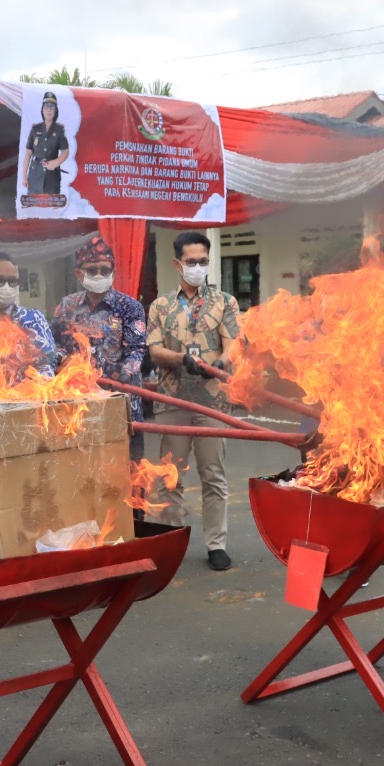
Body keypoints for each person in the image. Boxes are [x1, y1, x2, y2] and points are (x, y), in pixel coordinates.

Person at [147, 231, 242, 571]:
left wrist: (221, 363)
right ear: (177, 264)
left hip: (212, 404)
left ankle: (216, 544)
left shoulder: (225, 302)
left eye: (203, 261)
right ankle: (169, 543)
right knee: (169, 476)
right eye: (192, 262)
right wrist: (178, 359)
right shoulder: (160, 306)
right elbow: (154, 350)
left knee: (213, 475)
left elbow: (234, 342)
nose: (198, 267)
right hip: (172, 401)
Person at [51, 236, 147, 462]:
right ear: (78, 274)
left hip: (122, 407)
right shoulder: (67, 306)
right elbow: (52, 342)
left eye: (105, 269)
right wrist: (64, 360)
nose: (99, 275)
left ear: (114, 272)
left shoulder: (130, 307)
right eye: (92, 270)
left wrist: (127, 373)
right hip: (78, 407)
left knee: (128, 476)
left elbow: (136, 348)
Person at [21, 90, 70, 199]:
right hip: (35, 175)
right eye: (46, 106)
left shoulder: (59, 130)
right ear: (42, 110)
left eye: (52, 107)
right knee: (34, 208)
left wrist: (56, 162)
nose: (49, 109)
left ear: (55, 110)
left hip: (52, 177)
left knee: (51, 210)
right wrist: (24, 176)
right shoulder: (35, 129)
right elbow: (28, 154)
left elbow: (66, 151)